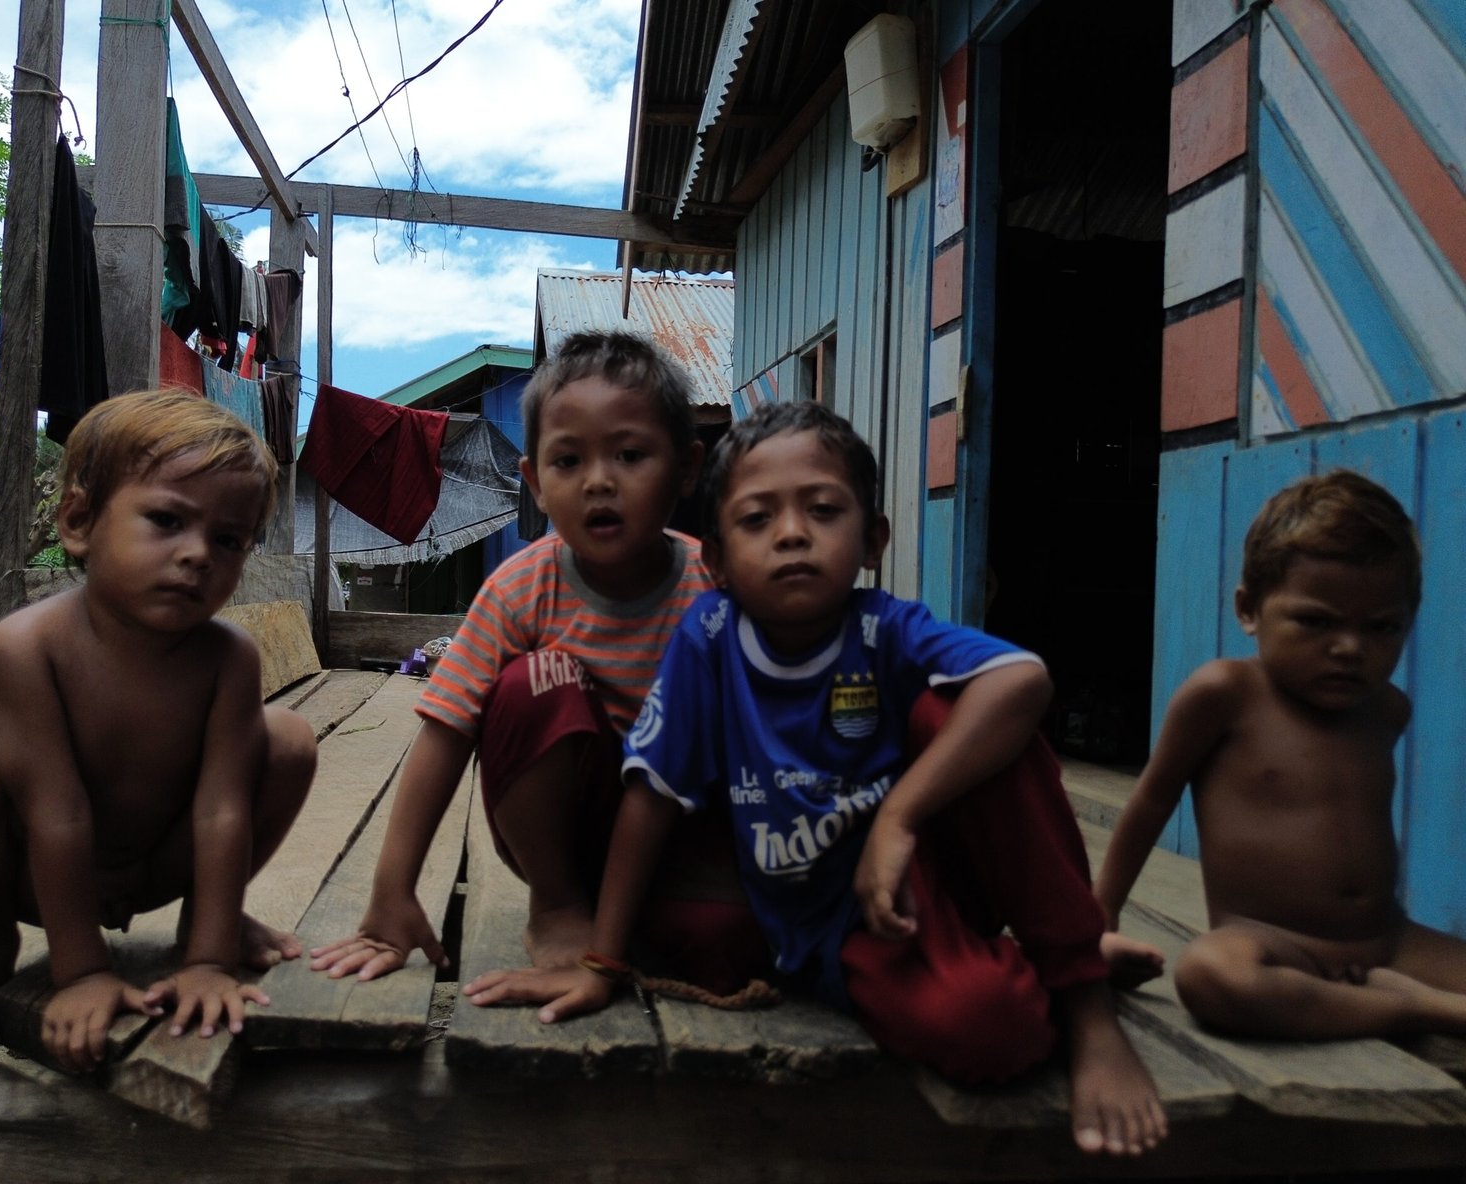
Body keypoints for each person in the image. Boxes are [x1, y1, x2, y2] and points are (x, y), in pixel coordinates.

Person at [464, 400, 1167, 1157]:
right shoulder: (709, 642)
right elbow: (651, 799)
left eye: (823, 510)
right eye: (758, 519)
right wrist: (602, 965)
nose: (792, 533)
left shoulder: (885, 629)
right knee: (993, 1035)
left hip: (916, 875)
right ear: (719, 565)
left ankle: (1084, 995)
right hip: (835, 927)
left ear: (871, 540)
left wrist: (898, 818)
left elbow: (1023, 679)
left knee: (961, 710)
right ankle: (1032, 961)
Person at [310, 332, 759, 990]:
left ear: (688, 467)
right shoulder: (521, 589)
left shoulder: (714, 588)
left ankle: (646, 908)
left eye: (631, 455)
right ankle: (558, 905)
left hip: (677, 828)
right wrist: (392, 891)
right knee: (534, 682)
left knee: (724, 946)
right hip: (568, 829)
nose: (600, 481)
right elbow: (445, 731)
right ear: (536, 483)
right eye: (569, 461)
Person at [0, 390, 318, 1074]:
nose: (198, 555)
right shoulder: (28, 646)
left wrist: (207, 962)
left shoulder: (227, 658)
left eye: (229, 540)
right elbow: (53, 813)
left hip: (158, 865)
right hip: (38, 873)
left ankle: (211, 925)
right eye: (166, 520)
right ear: (80, 521)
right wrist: (83, 970)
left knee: (289, 738)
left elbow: (221, 808)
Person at [1095, 469, 1466, 1039]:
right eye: (1316, 621)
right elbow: (1149, 805)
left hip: (1387, 939)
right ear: (1249, 610)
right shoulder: (1223, 694)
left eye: (1383, 628)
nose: (1350, 648)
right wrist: (1099, 919)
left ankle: (1384, 995)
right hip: (1270, 939)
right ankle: (1415, 1010)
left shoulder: (1386, 710)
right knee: (1211, 977)